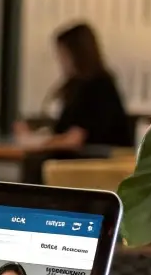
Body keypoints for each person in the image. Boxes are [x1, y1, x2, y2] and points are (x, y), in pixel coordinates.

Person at [16, 22, 133, 182]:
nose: (60, 60)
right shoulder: (78, 85)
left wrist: (36, 143)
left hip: (94, 160)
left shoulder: (97, 85)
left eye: (62, 54)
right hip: (85, 158)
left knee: (37, 164)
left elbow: (74, 139)